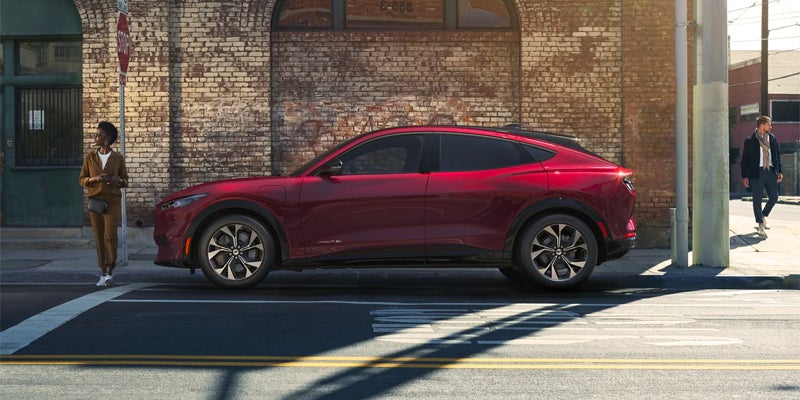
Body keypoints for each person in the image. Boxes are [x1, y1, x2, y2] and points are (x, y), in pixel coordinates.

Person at [79, 121, 129, 286]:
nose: (96, 137)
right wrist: (95, 179)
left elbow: (125, 181)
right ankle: (102, 271)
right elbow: (82, 180)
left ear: (107, 138)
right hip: (96, 200)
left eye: (99, 135)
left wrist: (116, 180)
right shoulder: (90, 157)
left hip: (113, 200)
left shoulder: (118, 158)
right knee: (99, 237)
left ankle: (109, 270)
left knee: (110, 235)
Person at [740, 115, 783, 238]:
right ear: (762, 126)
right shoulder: (750, 140)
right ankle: (759, 224)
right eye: (769, 124)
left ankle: (763, 215)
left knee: (774, 196)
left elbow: (777, 155)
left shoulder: (772, 138)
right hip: (756, 173)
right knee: (757, 199)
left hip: (770, 171)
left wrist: (779, 171)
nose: (771, 126)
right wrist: (745, 176)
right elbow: (745, 160)